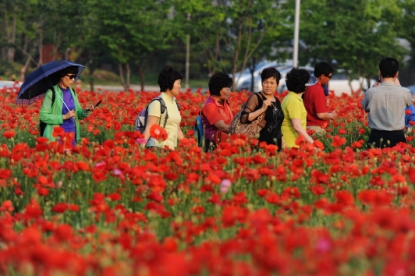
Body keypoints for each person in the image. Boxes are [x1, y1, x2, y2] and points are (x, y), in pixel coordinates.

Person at [362, 58, 413, 148]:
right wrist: (398, 85)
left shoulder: (370, 92)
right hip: (397, 136)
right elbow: (410, 102)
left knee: (374, 161)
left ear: (380, 73)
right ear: (397, 73)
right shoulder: (405, 92)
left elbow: (365, 107)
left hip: (376, 136)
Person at [39, 66, 95, 146]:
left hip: (72, 134)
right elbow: (43, 116)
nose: (73, 80)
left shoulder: (72, 92)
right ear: (62, 76)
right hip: (56, 136)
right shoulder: (51, 93)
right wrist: (64, 117)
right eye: (71, 77)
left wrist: (86, 110)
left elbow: (78, 114)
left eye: (75, 77)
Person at [240, 67, 285, 150]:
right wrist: (262, 109)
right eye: (266, 82)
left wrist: (283, 142)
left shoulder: (277, 100)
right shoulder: (256, 97)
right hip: (260, 145)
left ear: (277, 85)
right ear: (261, 83)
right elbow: (243, 118)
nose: (268, 86)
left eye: (272, 83)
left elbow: (277, 124)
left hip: (276, 144)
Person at [142, 66, 184, 150]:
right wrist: (139, 149)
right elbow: (149, 128)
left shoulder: (174, 103)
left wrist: (188, 146)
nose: (180, 86)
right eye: (178, 83)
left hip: (171, 149)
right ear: (169, 83)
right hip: (157, 148)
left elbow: (178, 129)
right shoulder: (158, 103)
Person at [281, 68, 315, 148]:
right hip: (292, 144)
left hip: (291, 142)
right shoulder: (294, 101)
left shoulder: (290, 97)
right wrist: (313, 144)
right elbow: (297, 126)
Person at [201, 72, 234, 151]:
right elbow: (222, 127)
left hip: (226, 143)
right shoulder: (210, 106)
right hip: (214, 146)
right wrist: (241, 132)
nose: (230, 92)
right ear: (218, 88)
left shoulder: (224, 102)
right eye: (227, 89)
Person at [303, 62, 337, 135]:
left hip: (308, 126)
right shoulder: (317, 90)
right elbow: (321, 115)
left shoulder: (308, 86)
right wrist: (331, 115)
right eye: (329, 77)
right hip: (316, 128)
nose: (329, 79)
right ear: (322, 76)